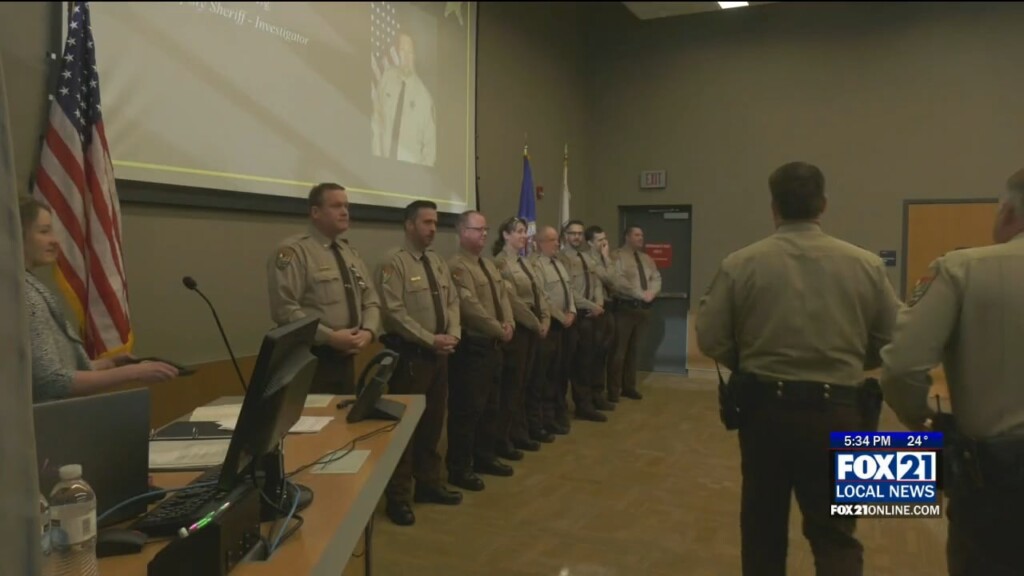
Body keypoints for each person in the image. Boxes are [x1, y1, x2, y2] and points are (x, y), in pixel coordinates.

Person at [696, 161, 899, 576]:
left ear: (774, 207)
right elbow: (893, 340)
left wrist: (750, 359)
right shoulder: (866, 265)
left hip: (764, 412)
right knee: (837, 537)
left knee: (762, 531)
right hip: (842, 411)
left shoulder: (740, 263)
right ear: (823, 204)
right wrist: (849, 361)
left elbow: (711, 338)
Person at [880, 168, 1024, 575]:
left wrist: (924, 422)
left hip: (996, 481)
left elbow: (901, 367)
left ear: (1009, 213)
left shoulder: (962, 269)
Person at [20, 196, 178, 403]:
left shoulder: (24, 285)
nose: (55, 240)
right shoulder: (21, 294)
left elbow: (46, 370)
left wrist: (108, 364)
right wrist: (134, 374)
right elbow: (51, 382)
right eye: (44, 231)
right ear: (15, 234)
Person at [377, 200, 463, 526]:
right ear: (409, 224)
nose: (432, 229)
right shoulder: (392, 263)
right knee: (405, 431)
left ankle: (429, 484)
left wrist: (452, 334)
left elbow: (452, 301)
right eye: (426, 222)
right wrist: (431, 339)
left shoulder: (438, 262)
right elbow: (394, 314)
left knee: (432, 425)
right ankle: (398, 497)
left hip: (440, 357)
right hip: (411, 358)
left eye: (435, 222)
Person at [266, 183, 381, 395]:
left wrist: (368, 331)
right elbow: (284, 309)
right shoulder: (294, 252)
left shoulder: (349, 252)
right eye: (337, 206)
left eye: (346, 206)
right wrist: (330, 337)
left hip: (346, 359)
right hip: (310, 359)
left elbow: (371, 299)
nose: (345, 212)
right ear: (315, 212)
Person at [446, 210, 516, 492]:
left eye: (486, 229)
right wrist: (500, 329)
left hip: (494, 345)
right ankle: (459, 468)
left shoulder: (487, 265)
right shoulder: (457, 266)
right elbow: (470, 308)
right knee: (468, 410)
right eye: (478, 229)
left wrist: (509, 322)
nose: (484, 234)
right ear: (463, 232)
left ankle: (484, 456)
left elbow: (503, 298)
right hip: (473, 347)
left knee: (491, 406)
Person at [493, 217, 551, 451]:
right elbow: (512, 301)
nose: (523, 236)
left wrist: (545, 318)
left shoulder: (526, 262)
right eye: (518, 232)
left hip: (535, 326)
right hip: (520, 328)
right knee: (513, 386)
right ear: (505, 235)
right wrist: (535, 323)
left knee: (529, 382)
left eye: (525, 232)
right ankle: (506, 437)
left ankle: (523, 429)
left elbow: (540, 294)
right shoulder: (500, 264)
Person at [560, 221, 617, 418]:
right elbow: (569, 291)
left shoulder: (586, 257)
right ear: (565, 235)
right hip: (578, 315)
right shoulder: (561, 259)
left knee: (592, 359)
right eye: (572, 233)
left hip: (594, 315)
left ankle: (592, 398)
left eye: (579, 233)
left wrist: (599, 304)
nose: (576, 237)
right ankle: (582, 404)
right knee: (579, 364)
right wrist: (591, 306)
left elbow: (598, 283)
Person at [607, 225, 661, 401]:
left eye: (642, 234)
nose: (641, 238)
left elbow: (656, 277)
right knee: (619, 352)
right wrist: (639, 294)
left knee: (634, 351)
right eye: (637, 235)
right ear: (627, 237)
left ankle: (629, 386)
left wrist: (652, 293)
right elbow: (618, 281)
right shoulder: (616, 256)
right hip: (625, 308)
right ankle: (613, 390)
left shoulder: (646, 259)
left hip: (642, 310)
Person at [371, 32, 437, 167]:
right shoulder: (386, 80)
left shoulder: (424, 97)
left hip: (410, 177)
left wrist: (418, 177)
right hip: (380, 168)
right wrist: (376, 158)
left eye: (410, 52)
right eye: (402, 50)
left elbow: (430, 149)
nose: (406, 57)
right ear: (396, 52)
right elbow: (376, 121)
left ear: (415, 57)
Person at [584, 224, 626, 405]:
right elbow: (609, 278)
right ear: (590, 243)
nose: (604, 243)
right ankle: (592, 395)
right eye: (600, 240)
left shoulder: (605, 259)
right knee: (594, 354)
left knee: (605, 352)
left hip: (610, 308)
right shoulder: (588, 260)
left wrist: (607, 260)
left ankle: (599, 393)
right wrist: (607, 258)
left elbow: (617, 283)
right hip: (596, 310)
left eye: (605, 239)